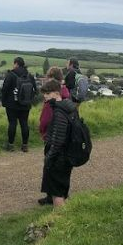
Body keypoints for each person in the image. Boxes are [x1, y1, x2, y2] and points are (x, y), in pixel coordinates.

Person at [38, 79, 78, 207]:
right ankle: (63, 219)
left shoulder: (59, 112)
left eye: (47, 93)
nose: (45, 96)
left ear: (56, 93)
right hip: (68, 154)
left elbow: (58, 139)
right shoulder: (70, 108)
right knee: (62, 188)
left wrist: (49, 158)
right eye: (44, 93)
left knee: (57, 192)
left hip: (59, 157)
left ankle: (59, 222)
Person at [0, 57, 36, 153]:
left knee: (12, 123)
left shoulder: (11, 75)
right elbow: (35, 90)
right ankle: (25, 145)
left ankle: (10, 145)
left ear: (16, 64)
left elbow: (4, 89)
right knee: (24, 123)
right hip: (26, 104)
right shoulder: (29, 76)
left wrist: (4, 101)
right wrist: (29, 100)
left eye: (14, 63)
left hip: (12, 104)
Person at [39, 67, 73, 139]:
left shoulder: (51, 98)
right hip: (66, 134)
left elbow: (44, 121)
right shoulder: (66, 94)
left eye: (49, 77)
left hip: (51, 134)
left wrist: (43, 133)